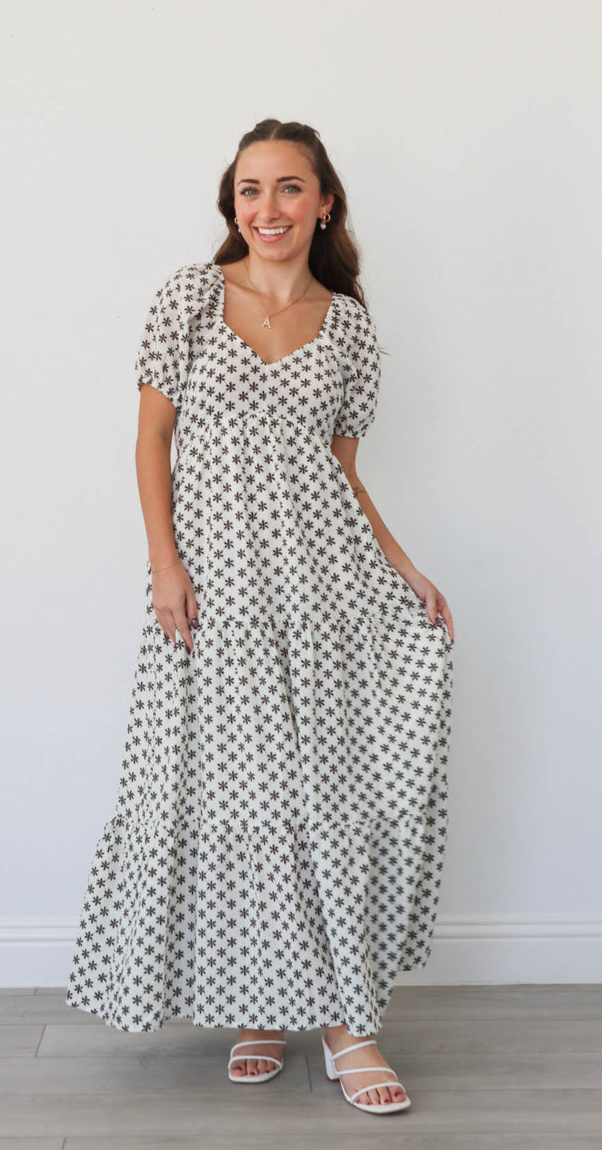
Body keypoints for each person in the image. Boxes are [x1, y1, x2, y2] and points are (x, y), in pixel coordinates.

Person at [66, 118, 455, 1117]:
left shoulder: (350, 329)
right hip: (209, 589)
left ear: (323, 202)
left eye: (289, 189)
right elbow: (150, 442)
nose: (267, 208)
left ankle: (345, 1023)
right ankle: (258, 1002)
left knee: (319, 790)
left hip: (320, 588)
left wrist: (403, 568)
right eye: (248, 190)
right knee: (238, 791)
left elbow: (341, 474)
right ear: (229, 203)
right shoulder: (189, 299)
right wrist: (164, 564)